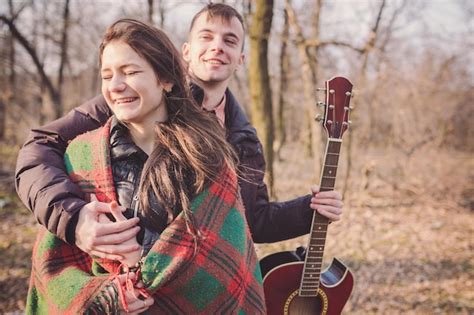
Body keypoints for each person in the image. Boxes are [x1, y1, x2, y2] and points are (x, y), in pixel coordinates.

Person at [16, 4, 342, 263]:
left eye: (229, 40)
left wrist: (307, 211)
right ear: (185, 52)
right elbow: (40, 147)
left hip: (203, 279)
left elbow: (250, 221)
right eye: (206, 36)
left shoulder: (243, 139)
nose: (217, 47)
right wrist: (72, 220)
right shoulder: (127, 99)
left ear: (241, 58)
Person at [25, 18, 266, 314]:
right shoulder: (79, 155)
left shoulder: (208, 158)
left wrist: (140, 260)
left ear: (165, 79)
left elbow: (223, 263)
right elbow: (53, 266)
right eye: (107, 75)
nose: (115, 86)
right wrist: (107, 294)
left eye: (131, 72)